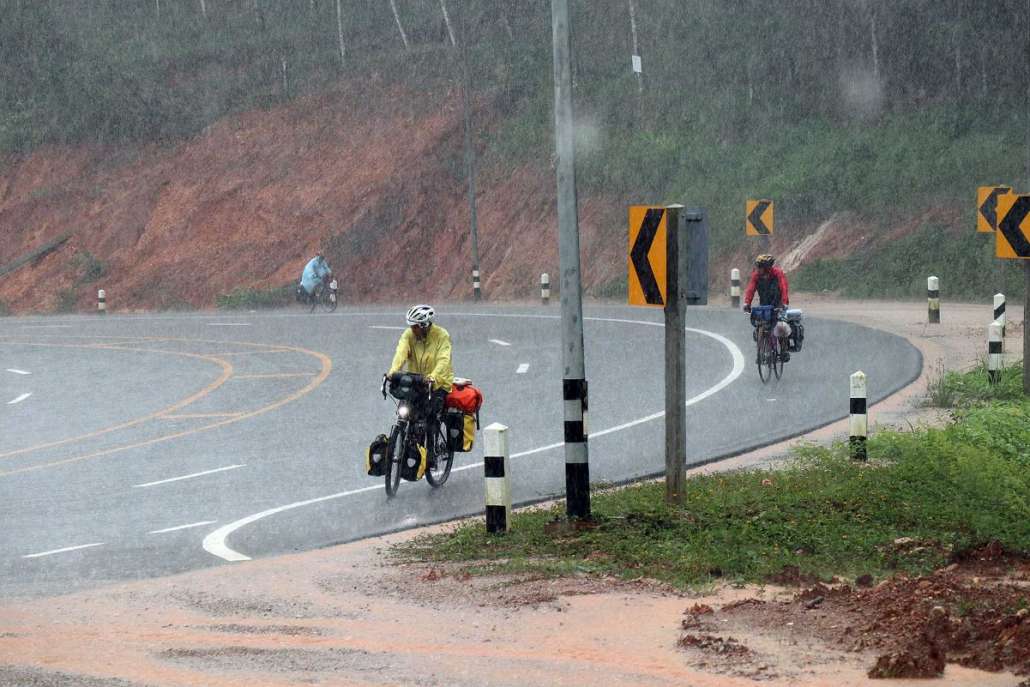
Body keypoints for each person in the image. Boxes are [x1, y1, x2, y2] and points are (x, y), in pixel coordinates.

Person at [385, 304, 454, 454]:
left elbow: (444, 360)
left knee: (429, 417)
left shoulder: (441, 335)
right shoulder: (408, 335)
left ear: (425, 325)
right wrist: (393, 372)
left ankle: (432, 453)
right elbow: (400, 353)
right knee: (405, 412)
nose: (412, 329)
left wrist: (433, 377)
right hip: (416, 381)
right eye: (411, 326)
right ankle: (406, 447)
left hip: (438, 382)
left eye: (415, 326)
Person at [742, 254, 792, 361]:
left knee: (781, 327)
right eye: (757, 266)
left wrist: (784, 303)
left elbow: (784, 287)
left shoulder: (778, 273)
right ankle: (760, 353)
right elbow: (750, 289)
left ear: (767, 268)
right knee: (761, 325)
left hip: (778, 305)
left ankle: (784, 350)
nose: (757, 269)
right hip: (764, 305)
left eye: (760, 267)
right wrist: (747, 303)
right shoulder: (756, 276)